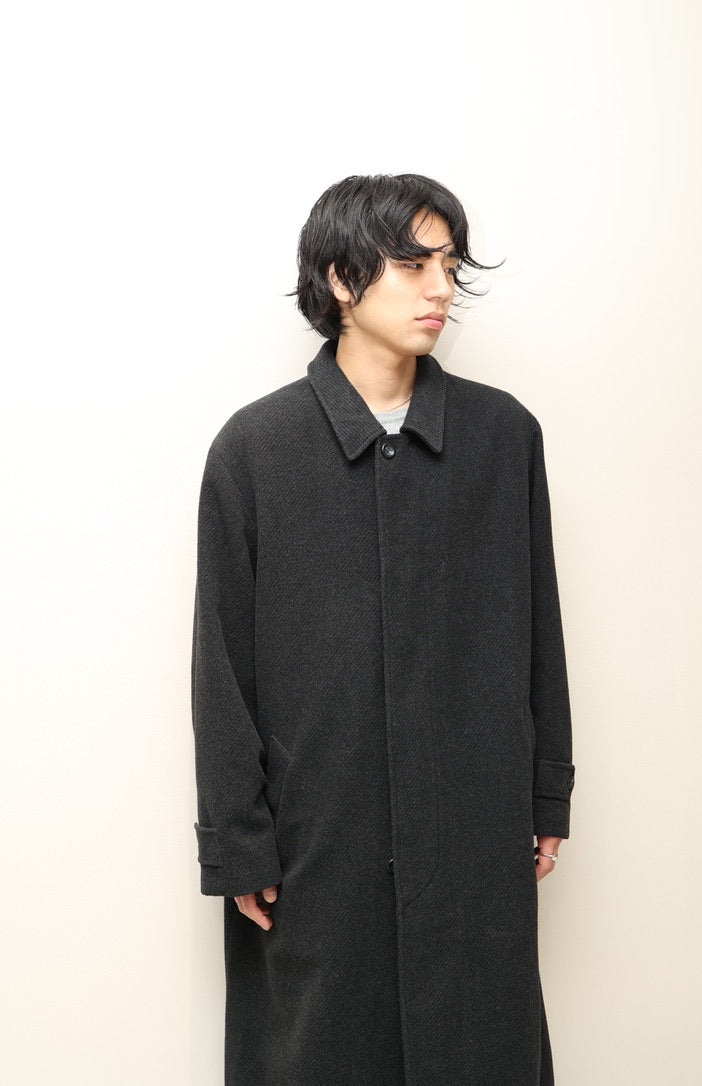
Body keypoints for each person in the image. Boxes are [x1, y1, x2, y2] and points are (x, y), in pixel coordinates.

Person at [192, 173, 575, 1086]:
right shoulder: (256, 450)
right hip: (319, 831)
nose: (442, 288)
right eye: (413, 264)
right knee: (320, 1046)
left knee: (480, 1042)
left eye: (450, 265)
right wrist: (240, 839)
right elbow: (221, 664)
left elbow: (540, 627)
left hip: (473, 818)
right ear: (340, 278)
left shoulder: (502, 437)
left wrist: (544, 791)